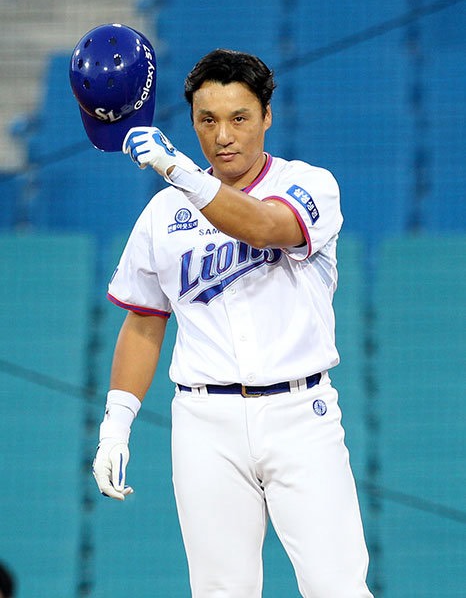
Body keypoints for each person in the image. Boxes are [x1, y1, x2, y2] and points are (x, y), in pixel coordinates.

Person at [93, 48, 374, 597]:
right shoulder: (162, 215)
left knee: (337, 587)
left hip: (301, 413)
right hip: (204, 420)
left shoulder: (309, 184)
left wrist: (178, 172)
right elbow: (145, 322)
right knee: (220, 591)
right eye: (207, 120)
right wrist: (115, 425)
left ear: (267, 115)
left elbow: (267, 226)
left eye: (239, 117)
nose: (223, 135)